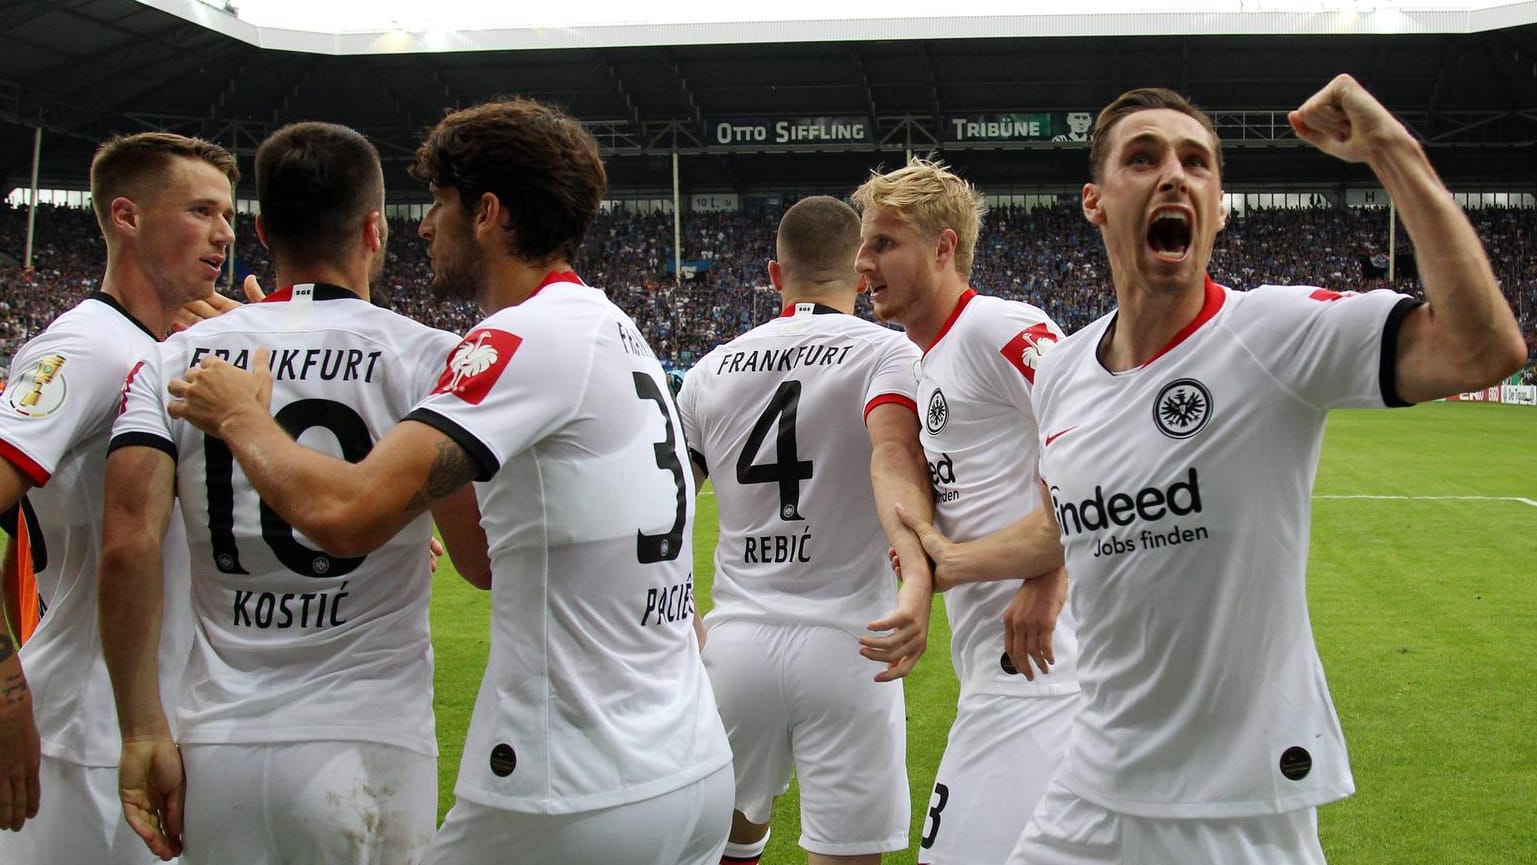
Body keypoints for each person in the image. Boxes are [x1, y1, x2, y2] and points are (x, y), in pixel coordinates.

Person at [163, 97, 734, 865]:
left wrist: (242, 416)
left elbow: (345, 514)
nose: (423, 226)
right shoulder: (608, 328)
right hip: (684, 760)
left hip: (568, 785)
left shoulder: (519, 336)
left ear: (489, 213)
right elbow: (486, 558)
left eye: (439, 203)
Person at [1010, 75, 1526, 865]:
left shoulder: (1271, 332)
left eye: (1195, 162)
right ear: (1095, 201)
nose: (1173, 174)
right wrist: (1039, 578)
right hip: (1088, 789)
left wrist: (1392, 149)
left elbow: (1480, 349)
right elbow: (1066, 506)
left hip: (1236, 806)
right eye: (1142, 158)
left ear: (1218, 208)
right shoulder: (1061, 370)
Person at [98, 121, 489, 864]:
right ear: (375, 229)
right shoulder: (431, 358)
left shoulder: (172, 359)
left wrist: (143, 728)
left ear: (260, 230)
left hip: (219, 744)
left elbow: (127, 543)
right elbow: (480, 551)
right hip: (368, 740)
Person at [0, 132, 238, 862]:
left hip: (156, 724)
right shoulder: (86, 347)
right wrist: (6, 696)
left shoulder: (172, 348)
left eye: (227, 214)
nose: (224, 233)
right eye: (200, 210)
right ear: (128, 217)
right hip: (78, 738)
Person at [675, 195, 933, 865]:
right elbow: (893, 455)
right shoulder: (889, 354)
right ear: (860, 265)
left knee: (720, 837)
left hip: (734, 646)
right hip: (852, 648)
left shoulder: (708, 371)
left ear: (773, 274)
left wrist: (681, 622)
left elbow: (662, 510)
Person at [850, 159, 1080, 865]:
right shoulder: (924, 362)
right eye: (863, 245)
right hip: (999, 669)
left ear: (944, 248)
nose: (863, 263)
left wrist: (1048, 575)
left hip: (1041, 676)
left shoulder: (998, 327)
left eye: (884, 243)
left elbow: (1099, 436)